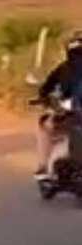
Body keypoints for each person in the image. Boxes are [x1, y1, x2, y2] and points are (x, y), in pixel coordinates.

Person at [34, 31, 82, 178]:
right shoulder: (64, 68)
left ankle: (42, 168)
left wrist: (43, 98)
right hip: (73, 114)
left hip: (71, 114)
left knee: (45, 126)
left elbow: (45, 89)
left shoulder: (64, 68)